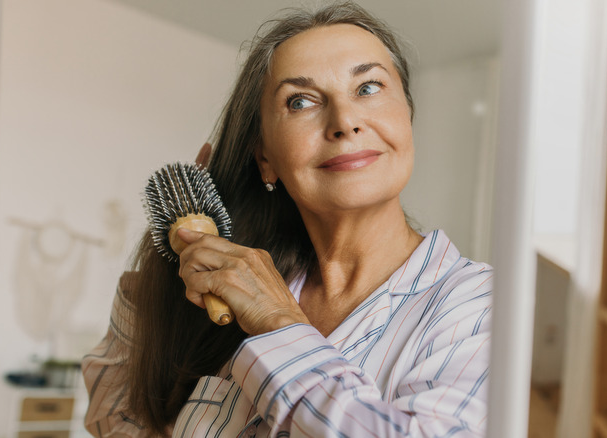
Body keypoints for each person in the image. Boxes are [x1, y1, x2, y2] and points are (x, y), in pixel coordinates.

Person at [82, 2, 492, 437]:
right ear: (265, 159)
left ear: (406, 117)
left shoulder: (479, 306)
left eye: (368, 87)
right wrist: (168, 272)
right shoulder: (235, 290)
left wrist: (278, 324)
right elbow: (118, 415)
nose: (345, 121)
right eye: (300, 101)